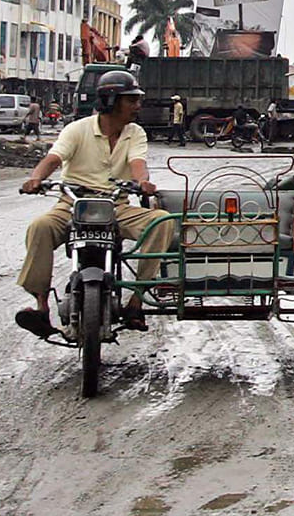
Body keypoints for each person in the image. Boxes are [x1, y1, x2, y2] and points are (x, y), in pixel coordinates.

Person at [14, 70, 174, 338]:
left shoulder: (135, 133)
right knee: (39, 227)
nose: (137, 106)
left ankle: (136, 301)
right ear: (111, 101)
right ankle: (41, 307)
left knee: (161, 222)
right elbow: (54, 158)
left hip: (116, 204)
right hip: (73, 203)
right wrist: (36, 179)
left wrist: (143, 182)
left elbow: (138, 164)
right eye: (131, 100)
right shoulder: (77, 129)